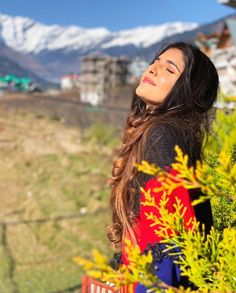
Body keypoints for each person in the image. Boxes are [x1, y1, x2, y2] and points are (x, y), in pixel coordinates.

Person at [107, 41, 219, 291]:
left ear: (189, 92)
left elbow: (170, 241)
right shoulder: (168, 133)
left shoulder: (161, 135)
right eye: (154, 63)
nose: (153, 69)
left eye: (169, 70)